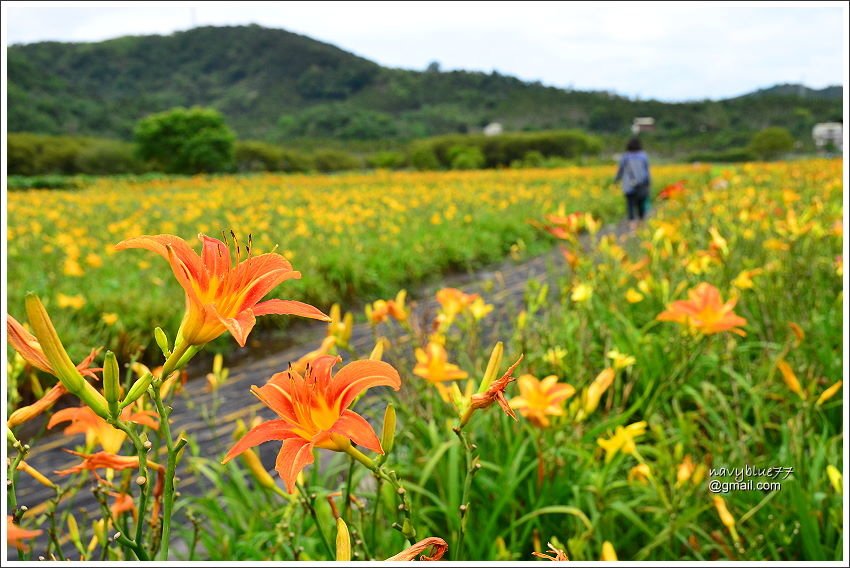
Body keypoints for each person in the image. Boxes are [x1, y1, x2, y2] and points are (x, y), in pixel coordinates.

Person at [614, 137, 651, 228]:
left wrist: (616, 180)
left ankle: (632, 224)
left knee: (630, 204)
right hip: (641, 184)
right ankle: (641, 221)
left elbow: (621, 170)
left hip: (628, 184)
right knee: (640, 203)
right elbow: (646, 171)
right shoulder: (643, 156)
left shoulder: (625, 156)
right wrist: (648, 183)